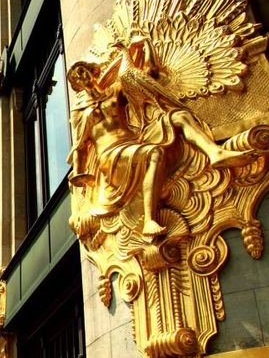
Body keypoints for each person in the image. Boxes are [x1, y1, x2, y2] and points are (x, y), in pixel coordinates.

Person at [67, 34, 252, 236]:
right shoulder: (79, 112)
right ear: (77, 86)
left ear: (93, 71)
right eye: (77, 77)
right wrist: (79, 173)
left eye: (83, 71)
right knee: (154, 153)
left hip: (134, 141)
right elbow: (80, 146)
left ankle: (215, 153)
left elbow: (149, 75)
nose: (82, 77)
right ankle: (149, 220)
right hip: (111, 157)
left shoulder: (114, 91)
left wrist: (145, 45)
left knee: (178, 116)